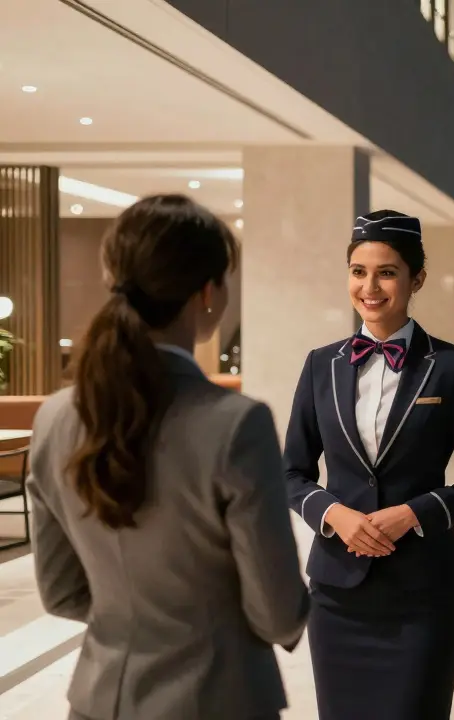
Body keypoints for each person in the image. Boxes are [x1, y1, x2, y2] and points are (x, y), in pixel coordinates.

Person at [25, 194, 310, 720]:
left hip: (97, 701)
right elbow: (277, 613)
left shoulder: (55, 417)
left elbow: (62, 592)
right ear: (207, 292)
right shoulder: (236, 423)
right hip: (217, 701)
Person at [283, 209, 454, 719]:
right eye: (358, 271)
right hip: (338, 597)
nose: (370, 286)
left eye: (387, 272)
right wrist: (333, 514)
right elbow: (290, 471)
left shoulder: (452, 368)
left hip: (422, 595)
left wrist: (414, 513)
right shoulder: (321, 364)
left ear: (416, 279)